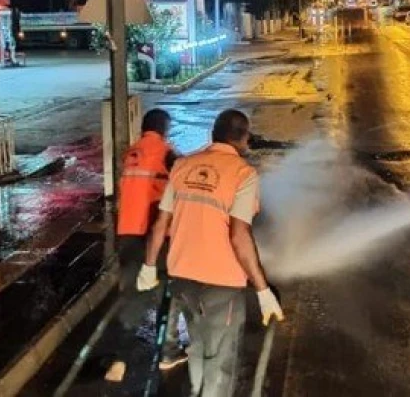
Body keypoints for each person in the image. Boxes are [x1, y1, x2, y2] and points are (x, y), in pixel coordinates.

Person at [138, 109, 283, 397]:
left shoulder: (182, 166)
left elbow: (161, 224)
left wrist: (149, 266)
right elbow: (239, 235)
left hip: (182, 277)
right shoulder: (243, 173)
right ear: (243, 139)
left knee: (198, 345)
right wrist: (263, 290)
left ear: (212, 135)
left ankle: (196, 391)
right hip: (222, 283)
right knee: (220, 361)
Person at [105, 109, 185, 382]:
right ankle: (168, 352)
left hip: (127, 234)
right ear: (164, 128)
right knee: (169, 292)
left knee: (132, 296)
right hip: (155, 235)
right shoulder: (167, 153)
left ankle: (119, 360)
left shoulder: (131, 154)